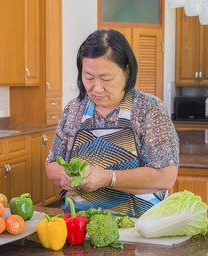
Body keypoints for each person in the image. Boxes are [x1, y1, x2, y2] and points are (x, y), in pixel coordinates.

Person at [45, 29, 179, 217]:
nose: (96, 88)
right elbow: (52, 165)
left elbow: (165, 176)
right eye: (89, 78)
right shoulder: (73, 110)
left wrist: (108, 178)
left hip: (139, 228)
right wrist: (64, 176)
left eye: (106, 78)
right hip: (80, 226)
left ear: (126, 70)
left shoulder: (148, 108)